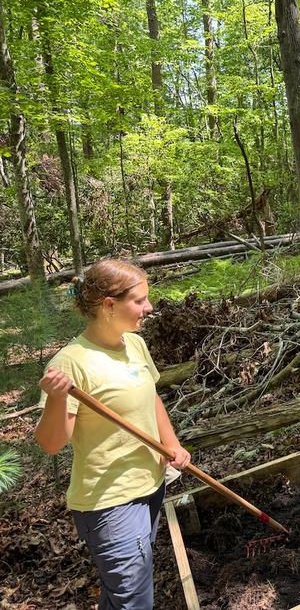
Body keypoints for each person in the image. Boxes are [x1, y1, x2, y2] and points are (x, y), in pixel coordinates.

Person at [35, 259, 190, 610]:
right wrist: (57, 400)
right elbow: (51, 443)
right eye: (140, 300)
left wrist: (171, 444)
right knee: (134, 602)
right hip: (111, 503)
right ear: (109, 305)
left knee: (122, 597)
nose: (149, 308)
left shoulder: (133, 344)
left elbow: (151, 397)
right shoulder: (70, 363)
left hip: (150, 485)